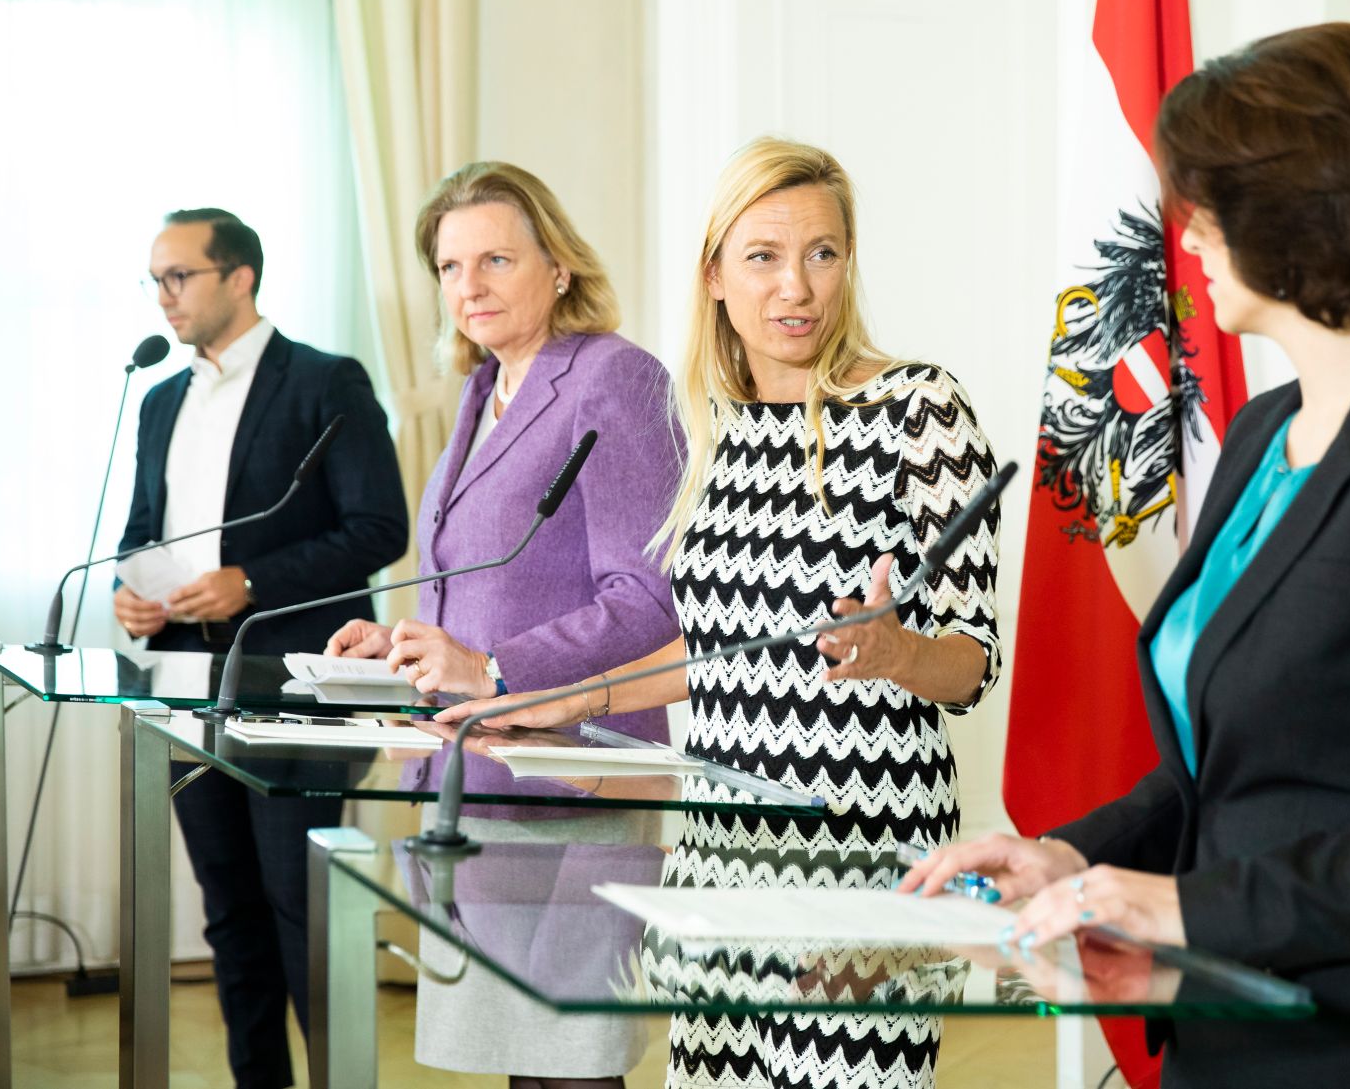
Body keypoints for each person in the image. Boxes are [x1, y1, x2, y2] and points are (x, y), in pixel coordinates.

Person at [902, 22, 1350, 1089]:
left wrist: (1185, 904)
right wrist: (1070, 851)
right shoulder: (1262, 432)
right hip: (1227, 1023)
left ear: (1303, 211)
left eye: (1208, 214)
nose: (1187, 244)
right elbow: (1221, 766)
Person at [435, 137, 1004, 1089]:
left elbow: (973, 663)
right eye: (764, 257)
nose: (798, 287)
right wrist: (567, 700)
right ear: (715, 276)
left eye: (822, 253)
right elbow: (720, 648)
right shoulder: (717, 429)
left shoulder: (920, 407)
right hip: (725, 842)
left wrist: (897, 651)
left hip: (858, 841)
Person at [326, 160, 683, 1089]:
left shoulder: (615, 379)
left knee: (570, 1061)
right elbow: (480, 577)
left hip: (574, 768)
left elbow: (647, 596)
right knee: (518, 1059)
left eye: (494, 259)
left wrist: (489, 662)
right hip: (466, 773)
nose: (467, 286)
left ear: (558, 266)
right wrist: (400, 637)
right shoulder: (483, 389)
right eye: (449, 267)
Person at [114, 207, 409, 1088]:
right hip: (180, 674)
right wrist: (130, 594)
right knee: (230, 913)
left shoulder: (324, 381)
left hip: (293, 680)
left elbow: (378, 526)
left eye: (180, 276)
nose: (164, 296)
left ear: (239, 277)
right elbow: (139, 531)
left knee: (299, 910)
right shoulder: (162, 397)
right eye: (155, 279)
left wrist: (253, 580)